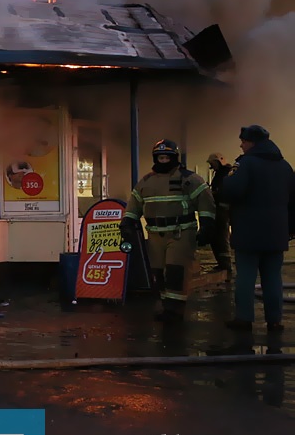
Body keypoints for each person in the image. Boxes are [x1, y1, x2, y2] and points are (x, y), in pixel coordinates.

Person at [120, 139, 216, 323]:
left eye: (167, 157)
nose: (163, 161)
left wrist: (207, 226)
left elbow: (206, 203)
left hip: (181, 233)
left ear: (174, 158)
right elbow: (134, 205)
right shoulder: (146, 182)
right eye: (160, 157)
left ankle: (175, 310)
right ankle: (167, 307)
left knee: (176, 272)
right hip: (155, 235)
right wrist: (127, 222)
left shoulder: (189, 179)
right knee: (158, 273)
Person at [217, 125, 295, 332]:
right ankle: (275, 320)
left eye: (243, 141)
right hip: (277, 233)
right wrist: (290, 229)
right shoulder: (284, 166)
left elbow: (232, 191)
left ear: (252, 142)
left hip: (248, 232)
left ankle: (244, 318)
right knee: (272, 278)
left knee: (246, 276)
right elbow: (293, 201)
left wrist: (224, 179)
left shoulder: (246, 164)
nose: (241, 145)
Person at [206, 152, 233, 273]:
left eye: (213, 163)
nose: (212, 166)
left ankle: (225, 264)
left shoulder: (225, 174)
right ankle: (222, 263)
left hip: (222, 210)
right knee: (217, 236)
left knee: (221, 237)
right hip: (219, 209)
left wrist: (212, 194)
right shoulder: (221, 174)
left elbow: (221, 191)